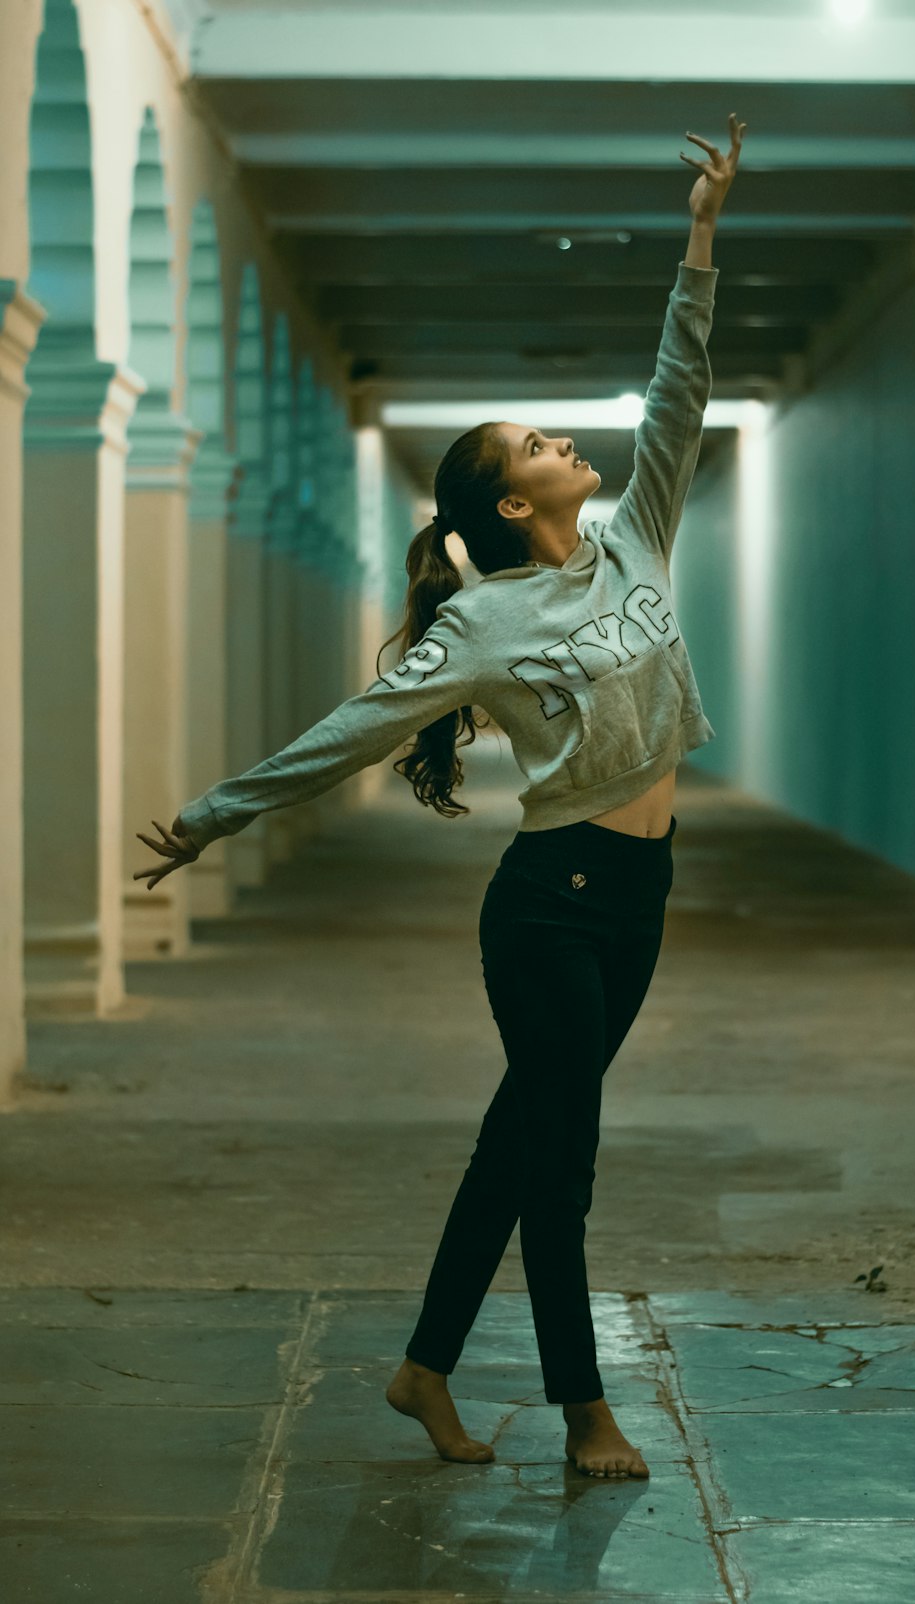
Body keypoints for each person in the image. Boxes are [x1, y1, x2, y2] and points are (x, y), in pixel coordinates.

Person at [136, 115, 747, 1480]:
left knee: (519, 1141)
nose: (565, 442)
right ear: (508, 498)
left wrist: (700, 235)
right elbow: (354, 729)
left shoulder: (636, 534)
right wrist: (215, 816)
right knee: (563, 1155)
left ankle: (423, 1371)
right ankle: (587, 1410)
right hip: (550, 908)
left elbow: (679, 392)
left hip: (643, 895)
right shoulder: (480, 625)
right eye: (536, 441)